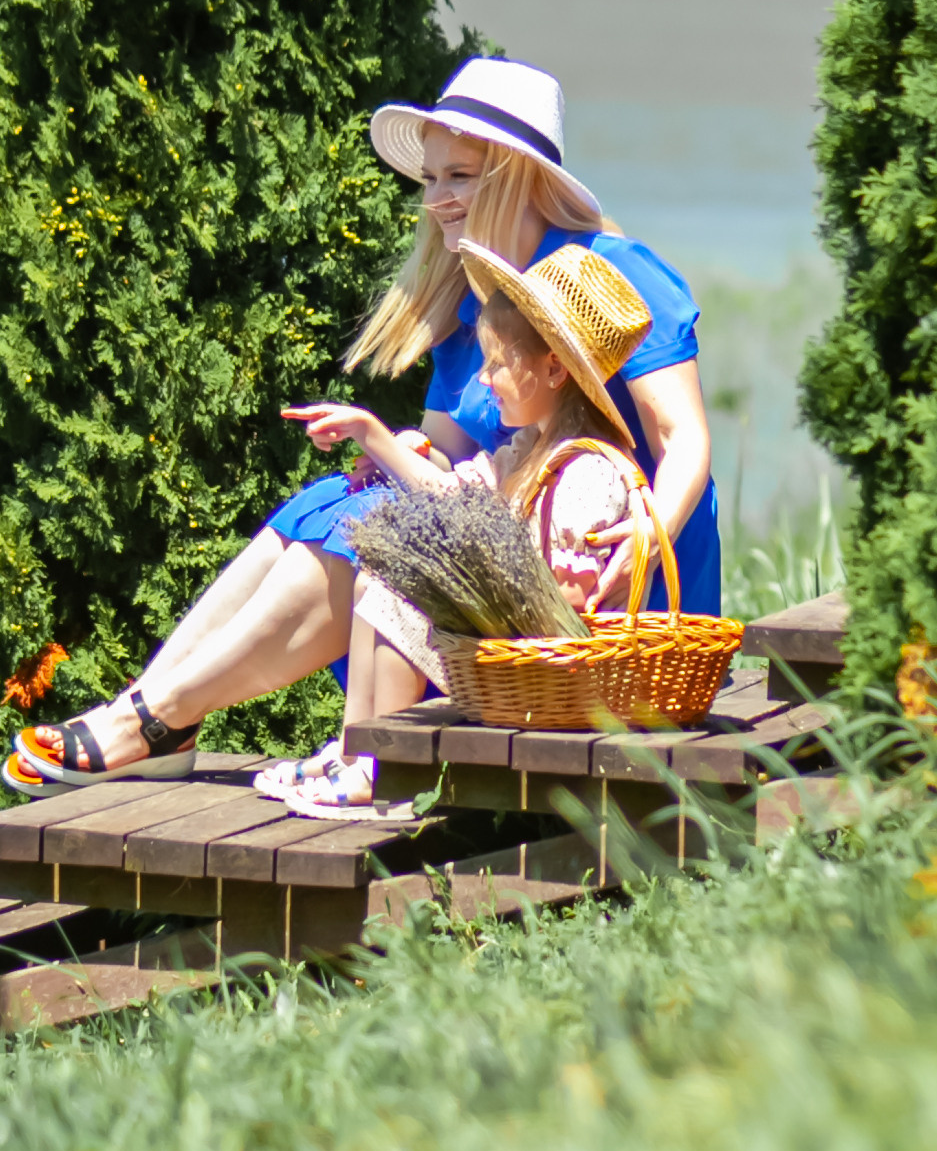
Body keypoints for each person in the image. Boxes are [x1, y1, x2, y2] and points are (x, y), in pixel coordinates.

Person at [4, 56, 718, 790]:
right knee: (328, 501)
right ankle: (153, 711)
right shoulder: (475, 301)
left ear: (519, 177)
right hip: (517, 540)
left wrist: (644, 538)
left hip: (610, 588)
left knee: (368, 519)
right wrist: (404, 445)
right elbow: (451, 453)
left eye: (460, 177)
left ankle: (155, 720)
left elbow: (684, 439)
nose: (436, 198)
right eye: (431, 178)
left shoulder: (607, 275)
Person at [260, 239, 657, 816]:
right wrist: (370, 433)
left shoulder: (587, 471)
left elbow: (570, 597)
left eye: (498, 363)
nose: (486, 380)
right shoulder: (528, 451)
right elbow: (452, 493)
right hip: (523, 651)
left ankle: (390, 769)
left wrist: (474, 580)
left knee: (407, 600)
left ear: (552, 369)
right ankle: (361, 749)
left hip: (555, 669)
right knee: (381, 578)